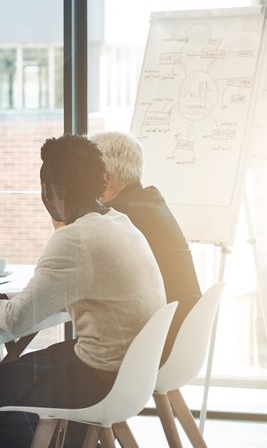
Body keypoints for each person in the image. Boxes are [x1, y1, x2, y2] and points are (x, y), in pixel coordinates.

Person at [0, 134, 165, 448]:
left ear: (53, 191)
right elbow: (53, 296)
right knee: (8, 375)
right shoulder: (121, 224)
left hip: (96, 382)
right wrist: (2, 300)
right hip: (126, 376)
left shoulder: (76, 238)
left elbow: (16, 320)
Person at [90, 131, 201, 364]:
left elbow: (81, 277)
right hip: (185, 337)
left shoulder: (118, 216)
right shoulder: (150, 200)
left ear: (104, 177)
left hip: (155, 346)